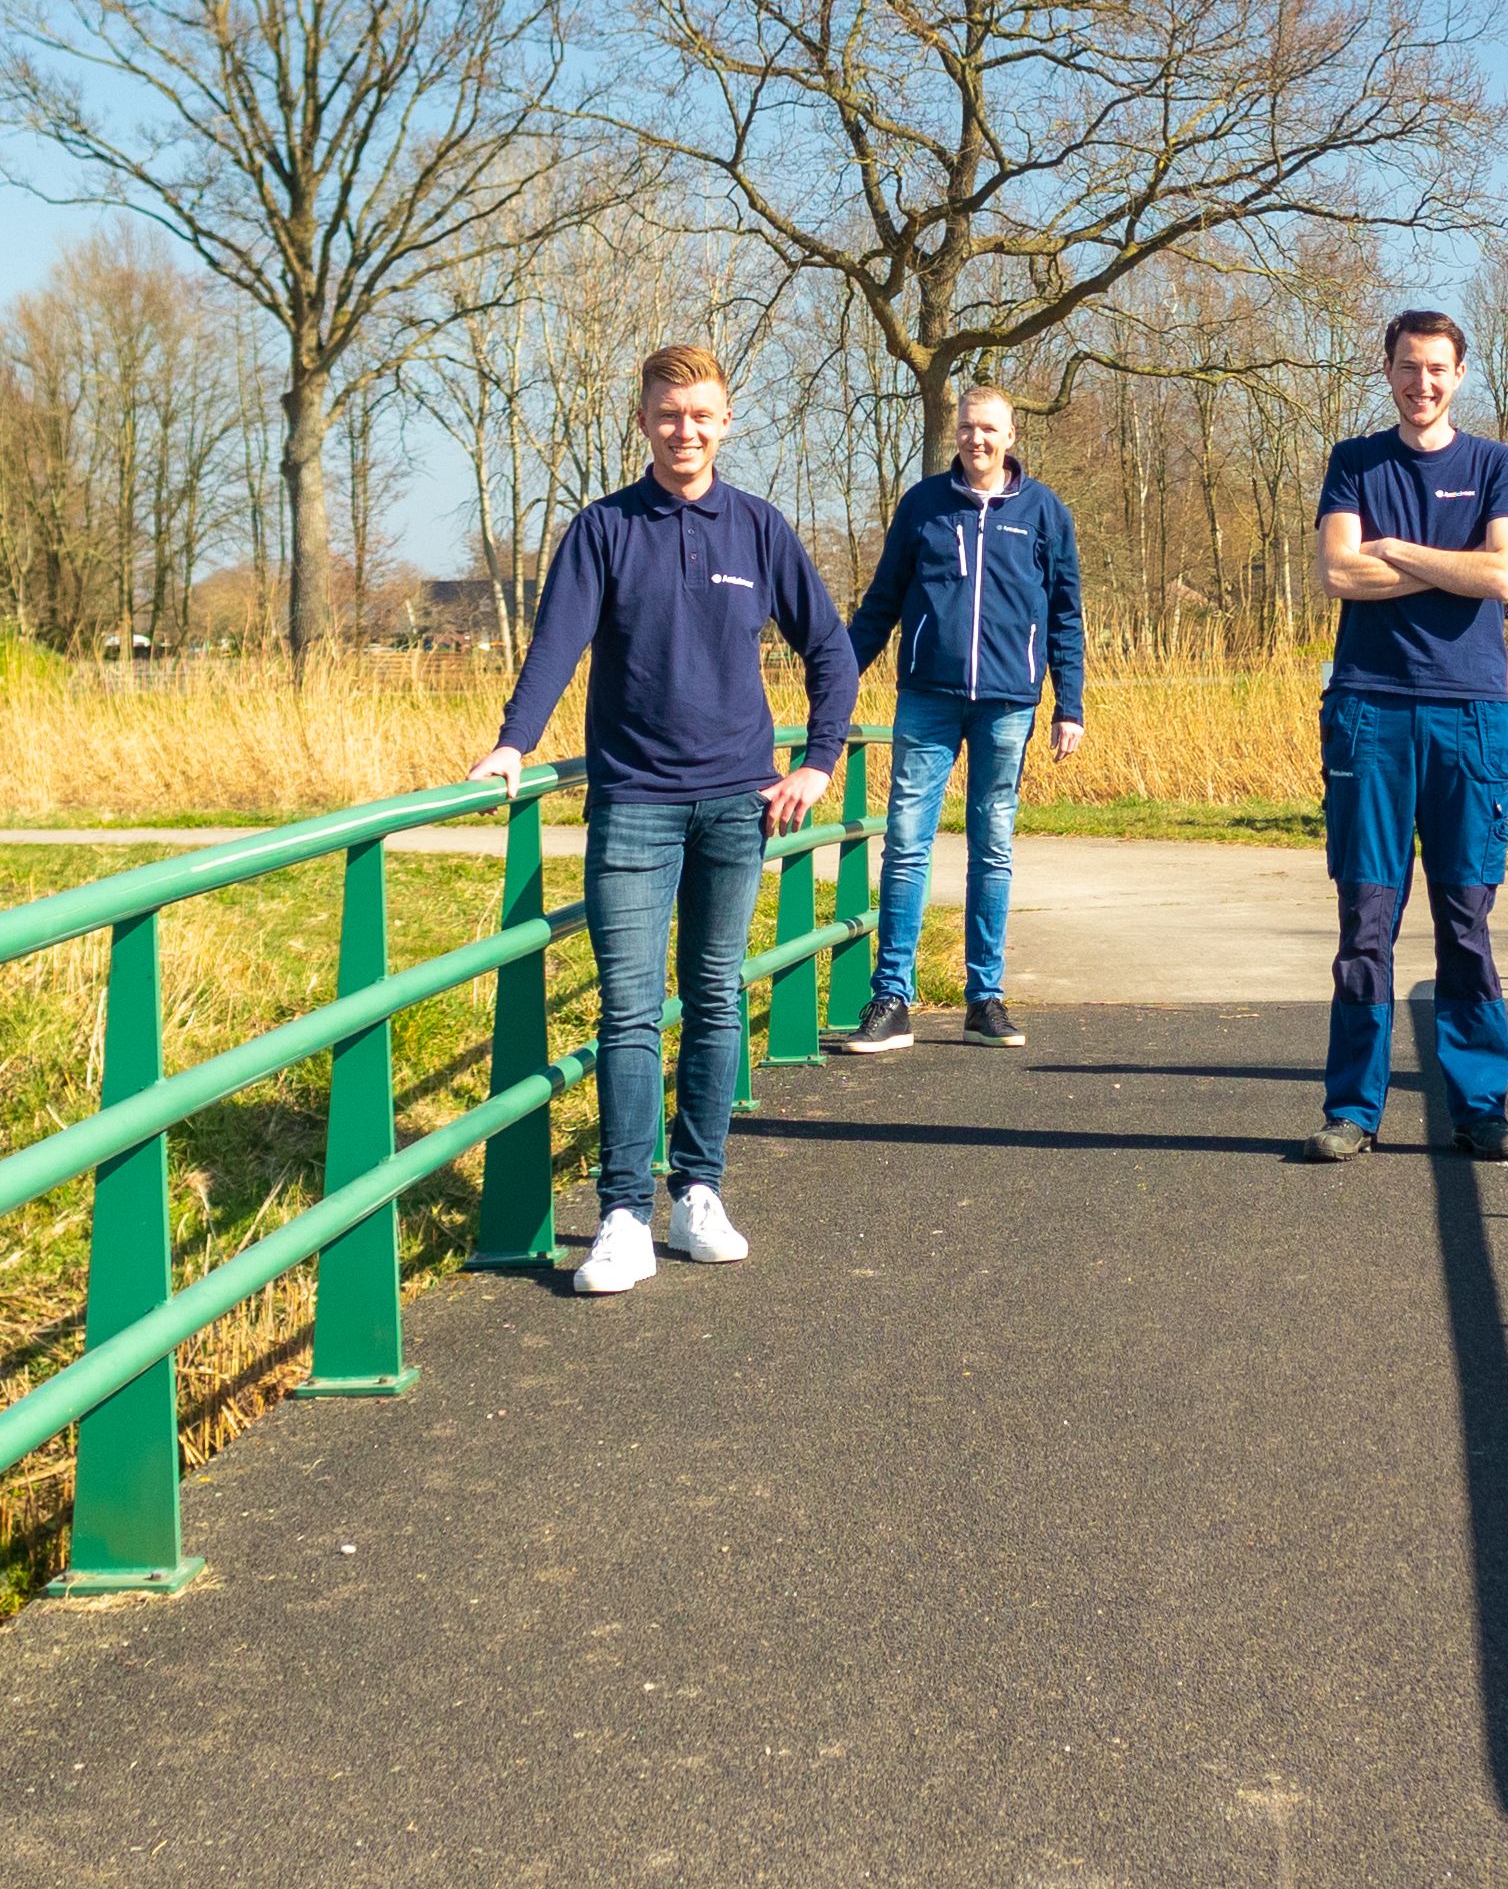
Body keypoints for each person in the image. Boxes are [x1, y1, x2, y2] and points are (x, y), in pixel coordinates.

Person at [465, 345, 856, 1295]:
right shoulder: (604, 529)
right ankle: (624, 1216)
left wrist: (817, 761)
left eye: (702, 415)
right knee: (631, 1008)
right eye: (669, 414)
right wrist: (515, 743)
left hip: (736, 801)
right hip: (633, 800)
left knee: (715, 995)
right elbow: (557, 646)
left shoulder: (760, 529)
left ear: (726, 423)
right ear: (642, 421)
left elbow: (831, 652)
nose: (686, 430)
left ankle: (699, 1193)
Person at [1305, 307, 1508, 1164]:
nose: (1422, 382)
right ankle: (1352, 1109)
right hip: (1370, 713)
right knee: (1366, 917)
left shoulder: (1498, 466)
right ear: (1389, 371)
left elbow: (1501, 573)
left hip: (1469, 714)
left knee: (1465, 918)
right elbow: (1337, 570)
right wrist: (1449, 567)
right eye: (1409, 366)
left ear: (1460, 374)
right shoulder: (1354, 462)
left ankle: (1480, 1108)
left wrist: (1395, 549)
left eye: (1438, 368)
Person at [838, 385, 1089, 1054]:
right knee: (906, 842)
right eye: (967, 427)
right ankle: (892, 998)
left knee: (993, 845)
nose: (977, 438)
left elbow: (1066, 614)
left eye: (989, 428)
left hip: (1009, 702)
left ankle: (984, 999)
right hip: (928, 695)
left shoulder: (1043, 512)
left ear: (1010, 436)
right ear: (956, 432)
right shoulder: (923, 505)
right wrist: (837, 679)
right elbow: (882, 600)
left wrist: (1070, 705)